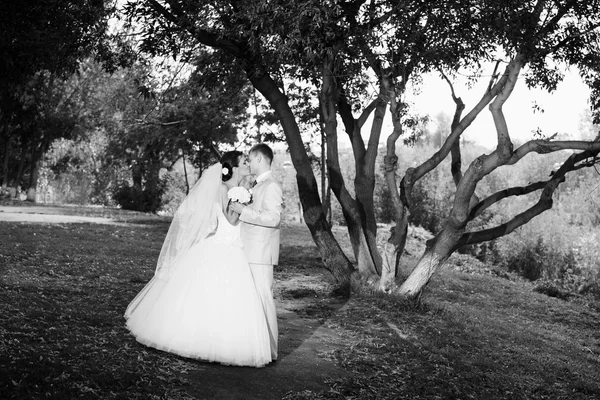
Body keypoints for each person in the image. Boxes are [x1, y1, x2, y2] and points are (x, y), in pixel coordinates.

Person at [124, 151, 272, 368]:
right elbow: (230, 221)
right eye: (243, 162)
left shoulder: (237, 189)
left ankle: (223, 342)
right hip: (222, 246)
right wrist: (244, 203)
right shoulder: (223, 189)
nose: (247, 165)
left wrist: (245, 199)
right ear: (231, 167)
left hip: (234, 249)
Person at [230, 143, 283, 361]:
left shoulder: (271, 186)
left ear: (259, 158)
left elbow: (274, 218)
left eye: (250, 159)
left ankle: (270, 350)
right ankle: (257, 348)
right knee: (254, 301)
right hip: (250, 250)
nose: (249, 163)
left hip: (261, 253)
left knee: (264, 299)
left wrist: (245, 211)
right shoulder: (257, 185)